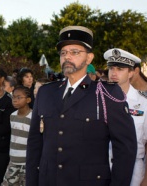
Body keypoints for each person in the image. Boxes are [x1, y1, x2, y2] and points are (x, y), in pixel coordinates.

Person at [26, 25, 137, 186]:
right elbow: (34, 145)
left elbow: (125, 149)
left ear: (89, 58)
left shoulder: (107, 94)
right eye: (63, 53)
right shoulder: (46, 93)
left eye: (75, 52)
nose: (67, 57)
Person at [105, 48, 147, 186]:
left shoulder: (143, 103)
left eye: (120, 69)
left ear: (131, 73)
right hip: (101, 168)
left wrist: (146, 178)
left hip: (134, 171)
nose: (114, 73)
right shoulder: (98, 99)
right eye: (111, 68)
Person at [1, 86, 32, 186]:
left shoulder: (33, 117)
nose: (15, 100)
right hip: (13, 161)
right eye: (13, 97)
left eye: (19, 97)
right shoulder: (12, 116)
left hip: (27, 162)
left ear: (28, 100)